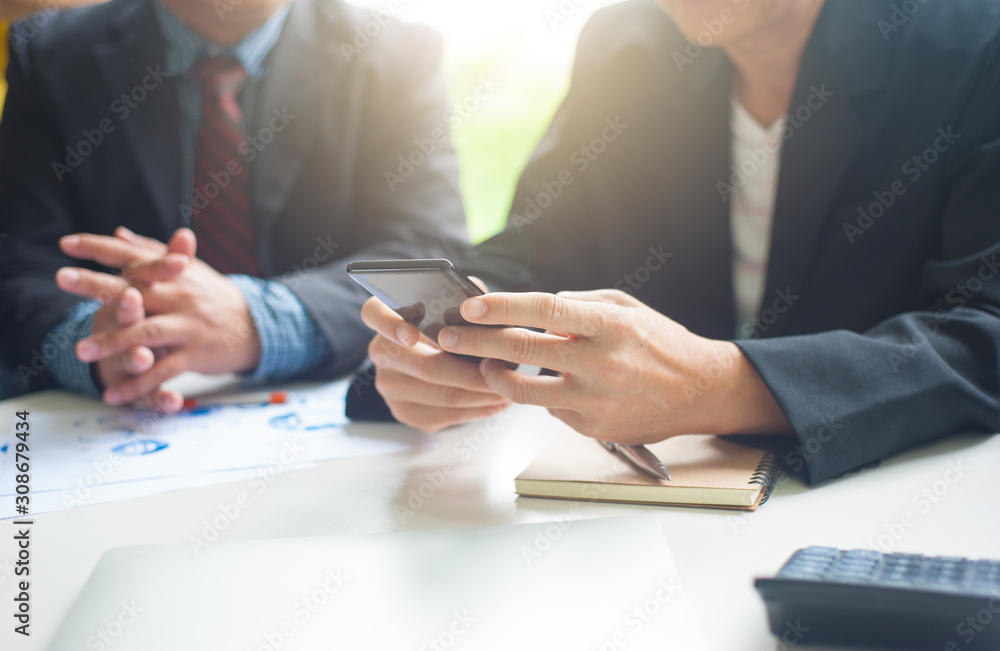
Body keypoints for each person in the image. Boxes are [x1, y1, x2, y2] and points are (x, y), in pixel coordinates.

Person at [353, 0, 1000, 485]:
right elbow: (536, 250)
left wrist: (722, 386)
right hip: (650, 534)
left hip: (891, 503)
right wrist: (454, 339)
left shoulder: (975, 45)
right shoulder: (627, 43)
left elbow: (985, 337)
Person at [0, 0, 467, 408]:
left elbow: (429, 253)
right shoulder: (49, 54)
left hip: (335, 414)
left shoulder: (396, 54)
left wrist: (259, 321)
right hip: (112, 425)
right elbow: (18, 264)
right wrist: (97, 345)